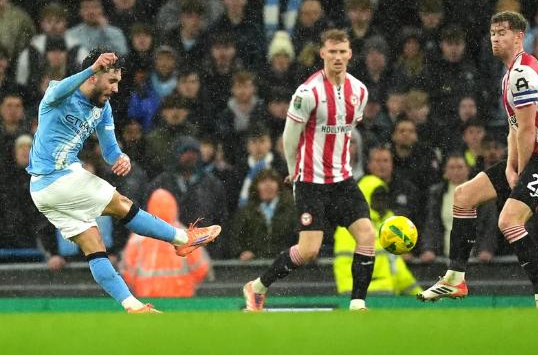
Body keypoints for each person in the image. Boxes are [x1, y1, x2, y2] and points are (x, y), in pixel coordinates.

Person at [26, 49, 221, 313]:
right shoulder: (60, 93)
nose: (116, 89)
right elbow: (61, 89)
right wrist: (91, 68)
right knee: (121, 204)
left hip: (43, 191)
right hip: (56, 178)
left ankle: (132, 306)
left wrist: (121, 157)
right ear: (94, 76)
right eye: (112, 81)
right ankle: (182, 238)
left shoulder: (102, 108)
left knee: (94, 245)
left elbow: (109, 151)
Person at [418, 11, 538, 309]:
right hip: (531, 153)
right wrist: (511, 167)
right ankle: (454, 279)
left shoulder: (522, 75)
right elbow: (514, 129)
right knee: (464, 196)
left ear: (519, 37)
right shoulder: (511, 73)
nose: (495, 37)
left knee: (508, 220)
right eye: (492, 32)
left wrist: (522, 169)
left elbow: (528, 129)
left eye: (502, 32)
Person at [243, 29, 374, 311]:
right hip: (310, 181)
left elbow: (347, 131)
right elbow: (290, 136)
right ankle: (257, 286)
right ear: (322, 54)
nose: (338, 57)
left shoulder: (359, 91)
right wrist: (294, 171)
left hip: (343, 180)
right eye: (332, 51)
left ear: (350, 54)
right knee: (308, 250)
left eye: (343, 51)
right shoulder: (307, 92)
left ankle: (358, 303)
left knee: (367, 235)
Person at [120, 188, 211, 298]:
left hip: (147, 297)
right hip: (182, 297)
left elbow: (127, 272)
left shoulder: (138, 237)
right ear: (174, 207)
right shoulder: (185, 235)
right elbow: (201, 269)